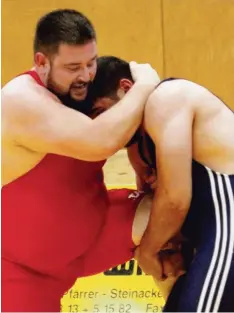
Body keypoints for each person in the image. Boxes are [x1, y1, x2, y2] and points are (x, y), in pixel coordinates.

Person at [1, 9, 181, 312]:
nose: (85, 75)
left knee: (176, 214)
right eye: (73, 66)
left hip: (94, 237)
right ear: (41, 62)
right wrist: (147, 84)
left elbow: (129, 133)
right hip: (21, 272)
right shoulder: (19, 99)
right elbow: (100, 142)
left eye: (90, 62)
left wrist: (148, 171)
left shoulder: (84, 93)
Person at [88, 55, 234, 312]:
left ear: (126, 88)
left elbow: (174, 199)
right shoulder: (137, 145)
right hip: (211, 234)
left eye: (101, 112)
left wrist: (147, 253)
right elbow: (156, 209)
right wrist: (168, 252)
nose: (105, 125)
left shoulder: (167, 98)